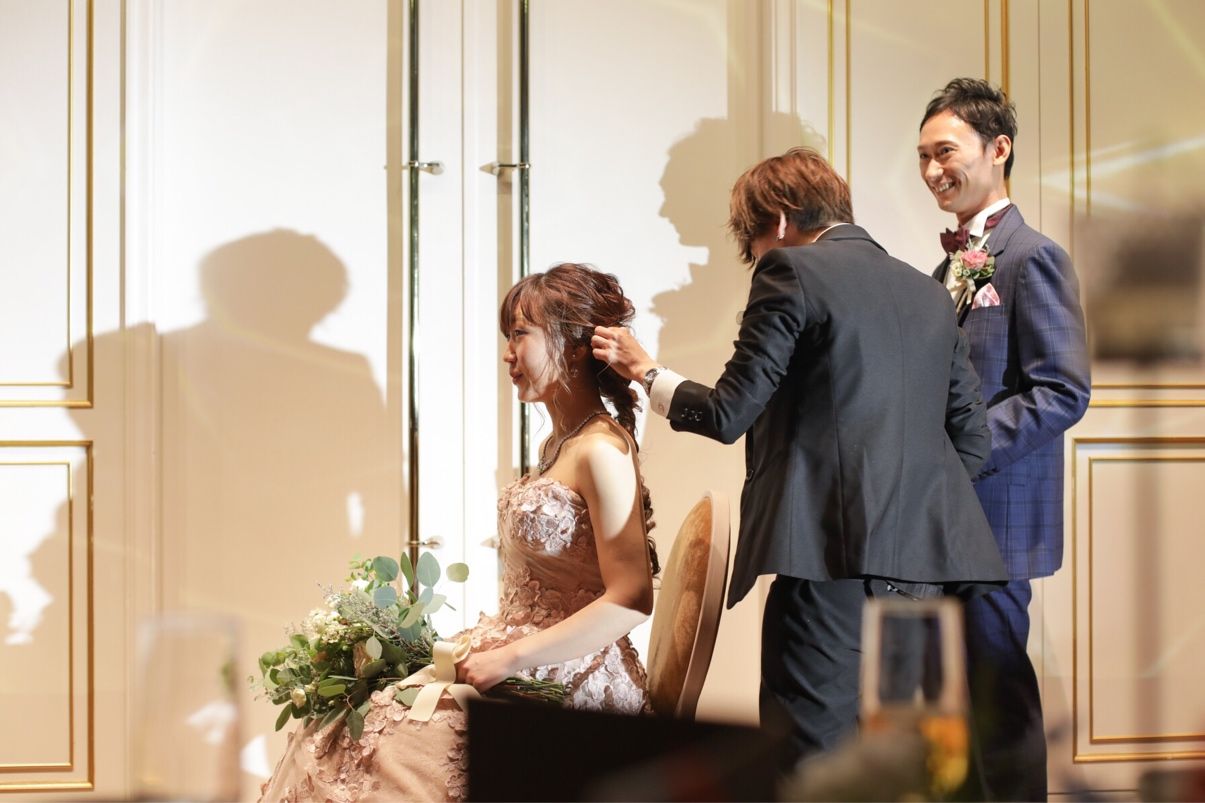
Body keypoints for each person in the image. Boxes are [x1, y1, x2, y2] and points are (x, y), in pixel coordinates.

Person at [591, 146, 1008, 768]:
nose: (756, 256)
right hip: (924, 576)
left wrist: (646, 372)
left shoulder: (791, 271)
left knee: (808, 764)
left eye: (752, 241)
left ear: (781, 220)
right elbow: (972, 440)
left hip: (826, 569)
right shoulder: (928, 292)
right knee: (898, 766)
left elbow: (730, 412)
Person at [260, 263, 659, 802]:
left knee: (385, 743)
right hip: (522, 656)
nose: (507, 354)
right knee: (339, 721)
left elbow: (631, 599)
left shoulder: (601, 450)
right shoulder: (558, 444)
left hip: (570, 679)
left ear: (571, 344)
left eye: (520, 334)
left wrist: (508, 658)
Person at [917, 78, 1090, 801]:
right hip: (942, 520)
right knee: (950, 708)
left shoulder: (1032, 256)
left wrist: (961, 452)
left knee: (998, 703)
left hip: (994, 521)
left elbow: (1062, 389)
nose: (932, 170)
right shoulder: (946, 265)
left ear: (998, 148)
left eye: (945, 152)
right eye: (923, 157)